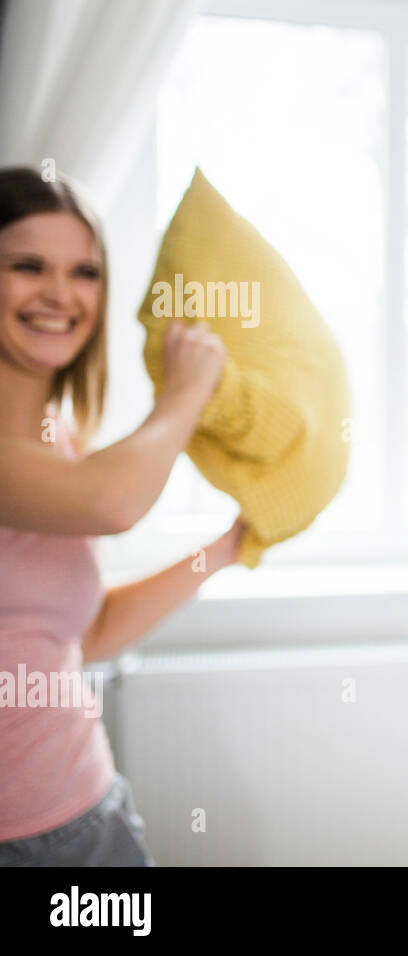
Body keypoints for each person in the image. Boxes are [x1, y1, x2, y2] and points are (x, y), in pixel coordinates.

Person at [0, 166, 242, 866]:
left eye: (84, 272)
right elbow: (114, 502)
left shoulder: (59, 440)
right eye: (27, 266)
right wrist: (187, 392)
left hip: (89, 813)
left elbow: (86, 632)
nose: (60, 294)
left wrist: (226, 547)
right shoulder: (81, 479)